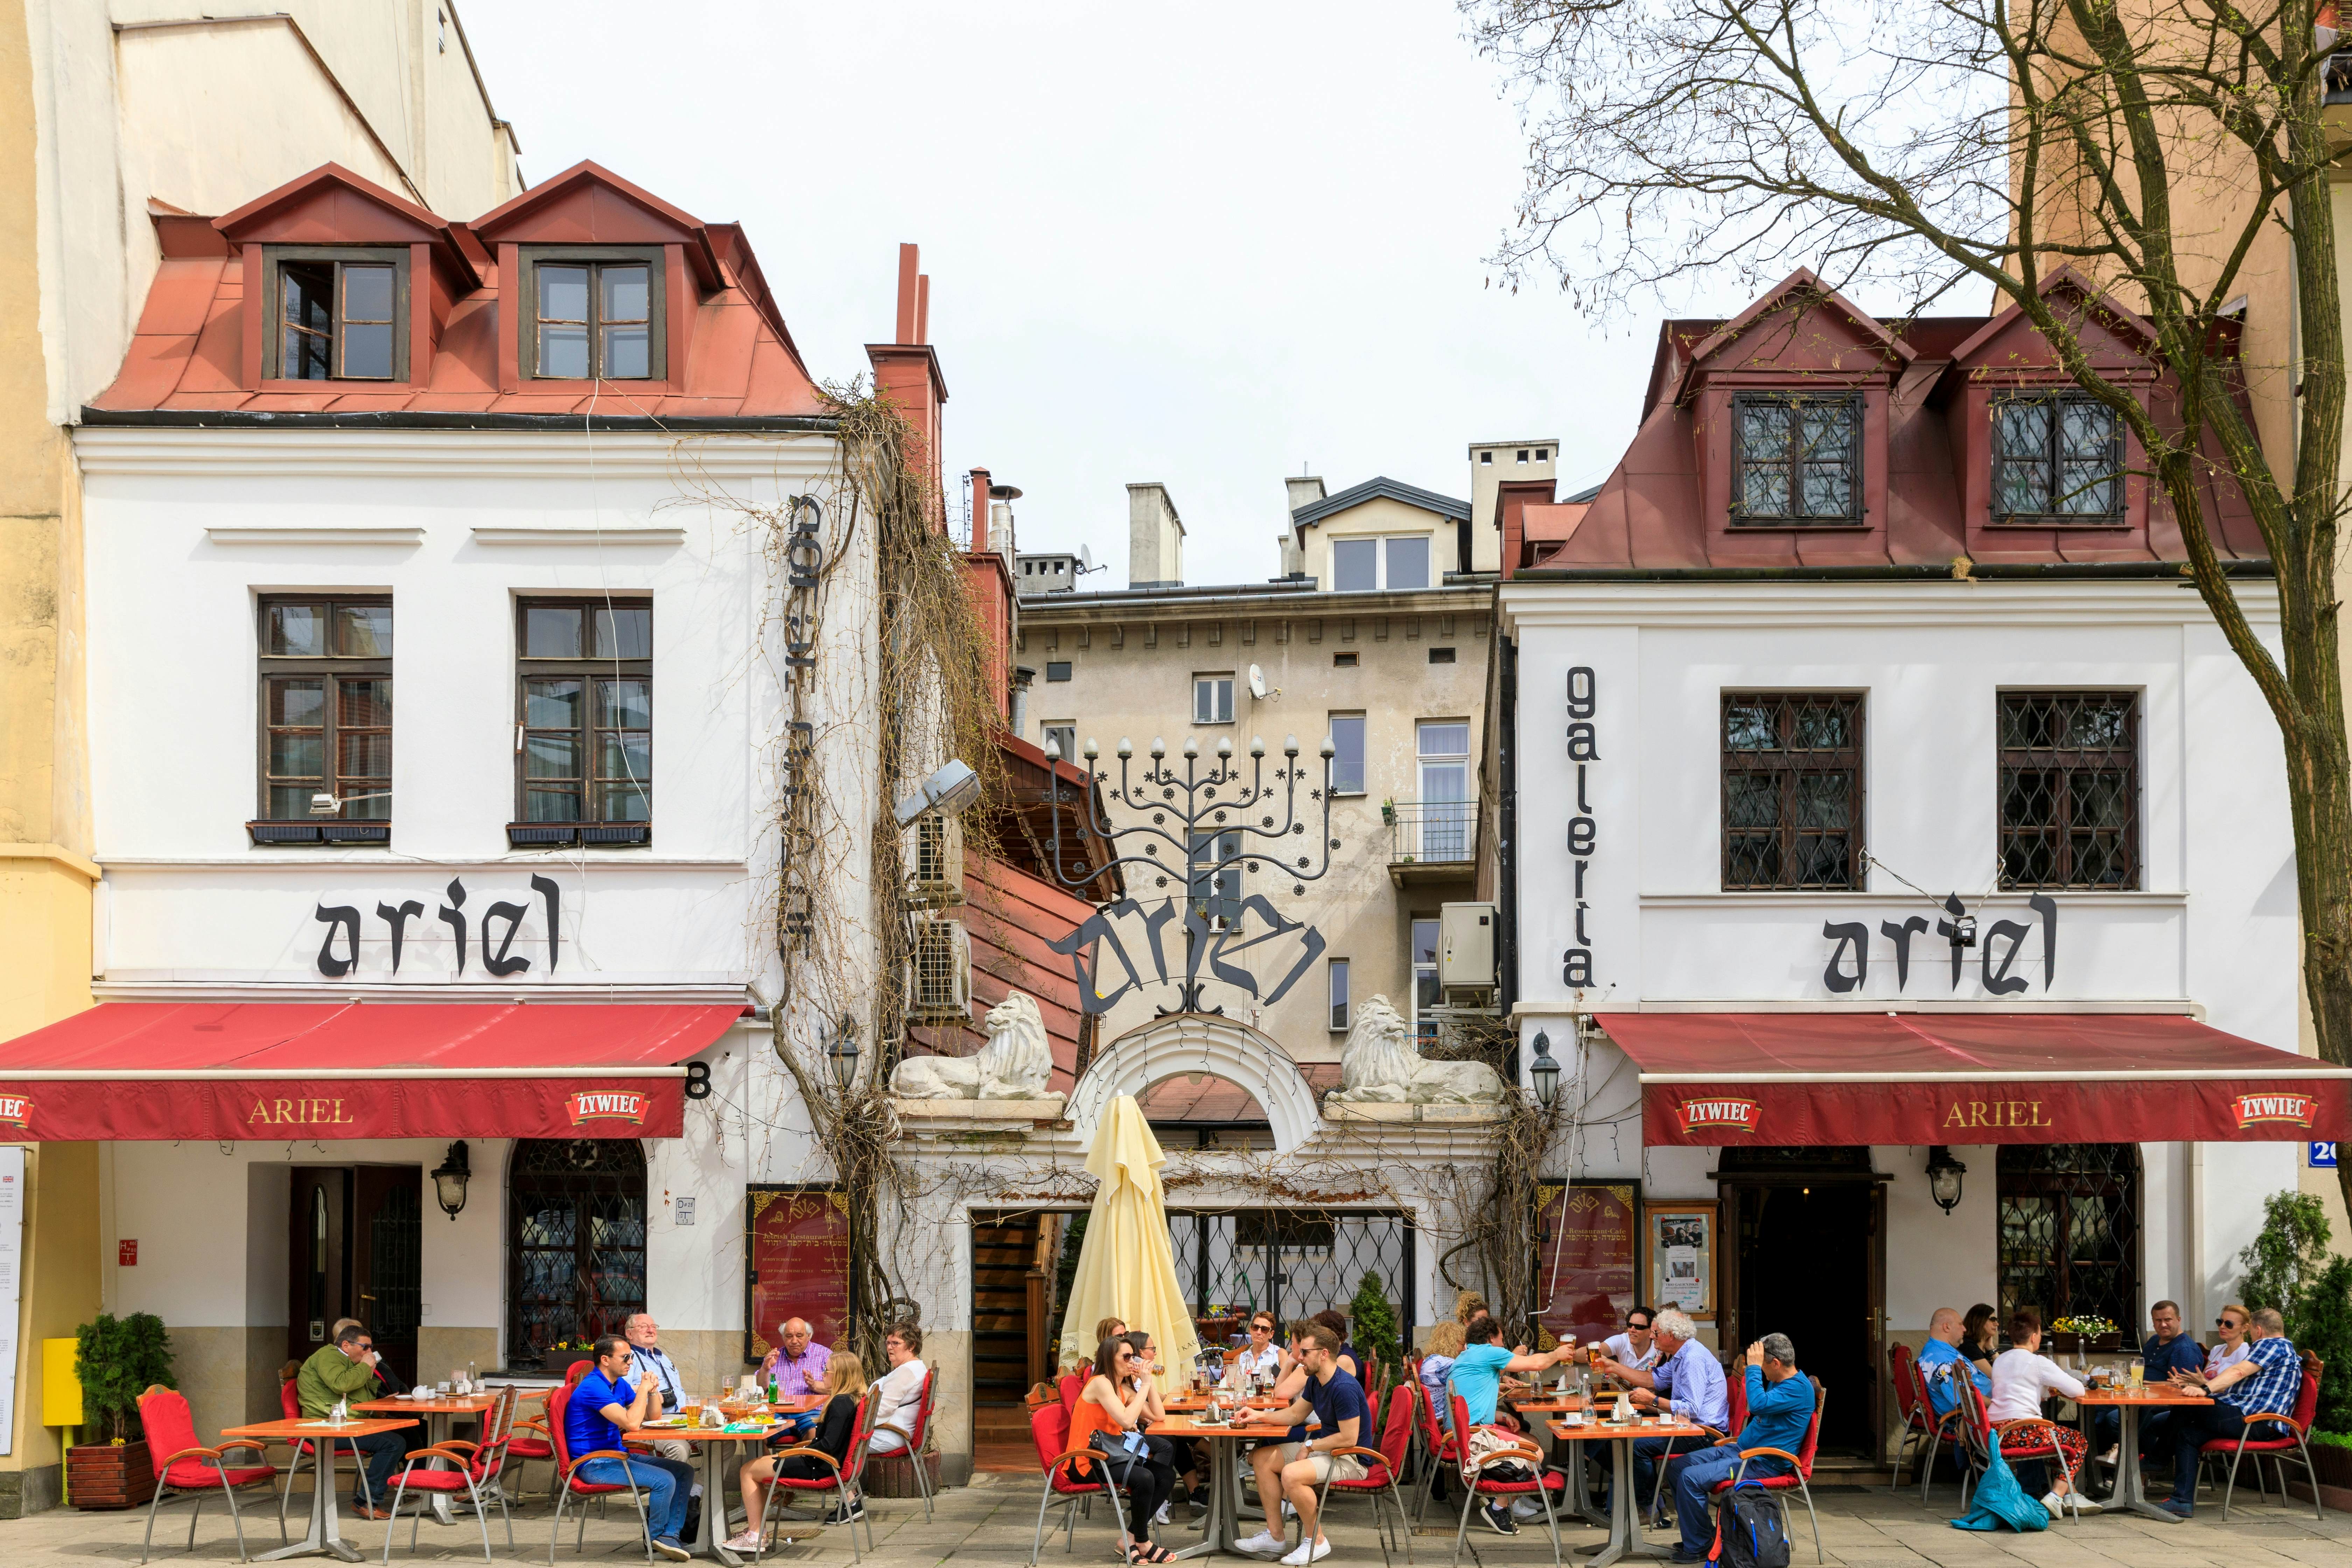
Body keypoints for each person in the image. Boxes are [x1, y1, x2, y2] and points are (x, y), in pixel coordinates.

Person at [1667, 1337, 1813, 1565]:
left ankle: (1697, 1546)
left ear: (1775, 1363)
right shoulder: (1781, 1381)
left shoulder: (1797, 1388)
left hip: (1761, 1463)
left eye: (1762, 1365)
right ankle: (1702, 1537)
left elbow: (1757, 1405)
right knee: (1678, 1467)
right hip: (1741, 1451)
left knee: (1690, 1479)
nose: (1760, 1371)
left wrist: (1753, 1369)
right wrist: (1757, 1366)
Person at [1237, 1321, 1367, 1566]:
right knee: (1263, 1458)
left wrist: (1310, 1447)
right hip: (1329, 1450)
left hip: (1351, 1457)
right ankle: (1275, 1537)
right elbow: (1295, 1415)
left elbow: (1350, 1438)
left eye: (1305, 1353)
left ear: (1324, 1354)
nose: (1300, 1357)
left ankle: (1316, 1541)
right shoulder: (1316, 1381)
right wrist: (1258, 1416)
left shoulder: (1344, 1388)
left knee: (1292, 1474)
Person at [2158, 1306, 2302, 1519]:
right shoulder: (2282, 1347)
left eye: (2252, 1331)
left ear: (2259, 1330)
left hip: (2257, 1423)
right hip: (2249, 1418)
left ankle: (2156, 1459)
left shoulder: (2271, 1346)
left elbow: (2238, 1371)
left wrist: (2204, 1390)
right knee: (2187, 1435)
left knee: (2188, 1406)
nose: (2252, 1336)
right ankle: (2182, 1502)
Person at [565, 1334, 695, 1560]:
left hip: (615, 1457)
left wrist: (653, 1390)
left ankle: (669, 1536)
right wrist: (643, 1390)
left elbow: (652, 1417)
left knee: (683, 1471)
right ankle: (655, 1540)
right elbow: (632, 1424)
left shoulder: (618, 1384)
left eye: (631, 1357)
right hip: (594, 1464)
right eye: (626, 1357)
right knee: (664, 1480)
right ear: (606, 1360)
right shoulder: (594, 1387)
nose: (631, 1362)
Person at [727, 1351, 867, 1553]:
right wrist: (803, 1450)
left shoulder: (840, 1403)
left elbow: (827, 1444)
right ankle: (756, 1530)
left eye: (827, 1370)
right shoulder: (852, 1399)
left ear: (840, 1376)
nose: (824, 1374)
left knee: (748, 1470)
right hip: (826, 1464)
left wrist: (800, 1451)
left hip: (819, 1467)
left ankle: (756, 1535)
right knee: (758, 1465)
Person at [1604, 1308, 1730, 1513]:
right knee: (1633, 1438)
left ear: (1670, 1336)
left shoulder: (1693, 1359)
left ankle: (1648, 1509)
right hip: (1688, 1426)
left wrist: (1652, 1401)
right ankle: (1642, 1505)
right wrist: (1612, 1366)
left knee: (1637, 1446)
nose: (1653, 1337)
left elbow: (1691, 1409)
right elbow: (1654, 1380)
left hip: (1704, 1432)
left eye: (1656, 1333)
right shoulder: (1681, 1355)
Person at [1070, 1336, 1178, 1564]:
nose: (1132, 1362)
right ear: (1111, 1358)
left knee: (1166, 1475)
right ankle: (1143, 1541)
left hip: (1112, 1457)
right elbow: (1127, 1418)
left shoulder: (1122, 1388)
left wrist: (1149, 1384)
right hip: (1087, 1461)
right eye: (1127, 1357)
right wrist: (1145, 1385)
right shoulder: (1101, 1383)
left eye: (1134, 1356)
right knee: (1145, 1478)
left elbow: (1159, 1416)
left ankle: (1130, 1538)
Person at [297, 1323, 416, 1520]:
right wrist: (365, 1367)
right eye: (366, 1347)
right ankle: (366, 1501)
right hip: (326, 1428)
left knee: (413, 1430)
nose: (370, 1351)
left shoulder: (346, 1360)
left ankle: (417, 1487)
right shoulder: (328, 1356)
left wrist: (371, 1376)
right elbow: (341, 1384)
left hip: (347, 1422)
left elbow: (358, 1394)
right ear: (346, 1345)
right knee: (393, 1443)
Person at [1988, 1313, 2098, 1517]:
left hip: (1997, 1433)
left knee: (2057, 1439)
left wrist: (2045, 1391)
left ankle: (2070, 1494)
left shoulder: (2000, 1360)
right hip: (2024, 1431)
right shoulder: (2038, 1362)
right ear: (2034, 1337)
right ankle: (2056, 1495)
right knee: (2078, 1441)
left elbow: (2018, 1390)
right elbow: (2078, 1390)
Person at [2090, 1300, 2203, 1463]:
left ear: (2179, 1320)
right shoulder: (2154, 1341)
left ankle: (2127, 1463)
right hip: (2136, 1396)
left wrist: (2147, 1386)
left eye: (2168, 1320)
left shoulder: (2184, 1349)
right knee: (2098, 1408)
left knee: (2114, 1419)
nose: (2163, 1325)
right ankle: (2098, 1466)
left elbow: (2181, 1388)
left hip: (2160, 1406)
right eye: (2158, 1320)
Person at [1917, 1307, 1991, 1421]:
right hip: (1977, 1418)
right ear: (1947, 1327)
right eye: (1961, 1324)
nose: (1965, 1329)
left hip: (1986, 1406)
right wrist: (2000, 1404)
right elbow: (1965, 1399)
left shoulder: (1941, 1349)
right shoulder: (1941, 1360)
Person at [759, 1317, 833, 1397]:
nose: (794, 1341)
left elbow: (839, 1389)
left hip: (813, 1409)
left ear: (809, 1336)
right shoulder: (775, 1358)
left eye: (799, 1336)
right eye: (789, 1336)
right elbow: (759, 1389)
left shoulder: (825, 1355)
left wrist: (814, 1386)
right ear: (783, 1338)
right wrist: (765, 1369)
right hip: (780, 1409)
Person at [2206, 1304, 2254, 1379]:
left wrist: (2204, 1384)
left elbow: (2236, 1388)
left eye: (2229, 1324)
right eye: (2220, 1322)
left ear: (2244, 1328)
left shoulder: (2245, 1353)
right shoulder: (2217, 1350)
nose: (2222, 1326)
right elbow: (2202, 1379)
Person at [1605, 1308, 1660, 1373]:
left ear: (1651, 1330)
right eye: (1630, 1325)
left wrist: (1613, 1367)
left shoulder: (1660, 1347)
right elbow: (1599, 1349)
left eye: (1639, 1327)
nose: (1632, 1330)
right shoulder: (1623, 1340)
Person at [1310, 1310, 1360, 1379]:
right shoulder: (1338, 1352)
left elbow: (1324, 1383)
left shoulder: (1343, 1360)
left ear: (1329, 1333)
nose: (1315, 1337)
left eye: (1317, 1333)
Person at [1237, 1311, 1284, 1383]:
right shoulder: (1240, 1359)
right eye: (1255, 1327)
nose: (1259, 1332)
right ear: (1251, 1330)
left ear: (1271, 1334)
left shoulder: (1280, 1355)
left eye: (1264, 1329)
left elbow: (1285, 1384)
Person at [1959, 1303, 2000, 1377]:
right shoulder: (1968, 1345)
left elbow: (2004, 1371)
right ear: (1979, 1320)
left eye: (1997, 1320)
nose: (1997, 1324)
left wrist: (1991, 1348)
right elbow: (1996, 1376)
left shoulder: (1986, 1347)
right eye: (1993, 1319)